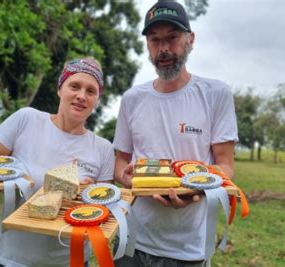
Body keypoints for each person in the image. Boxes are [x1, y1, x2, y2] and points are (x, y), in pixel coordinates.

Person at [113, 1, 238, 266]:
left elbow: (225, 166)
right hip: (131, 242)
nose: (164, 49)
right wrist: (124, 176)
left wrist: (196, 191)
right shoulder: (132, 99)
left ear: (190, 39)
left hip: (187, 250)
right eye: (155, 40)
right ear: (148, 45)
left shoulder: (216, 94)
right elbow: (120, 162)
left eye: (172, 37)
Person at [0, 57, 115, 266]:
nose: (81, 96)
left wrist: (83, 196)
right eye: (74, 86)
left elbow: (104, 210)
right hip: (12, 260)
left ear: (97, 98)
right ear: (60, 89)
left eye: (91, 91)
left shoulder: (104, 148)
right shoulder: (27, 120)